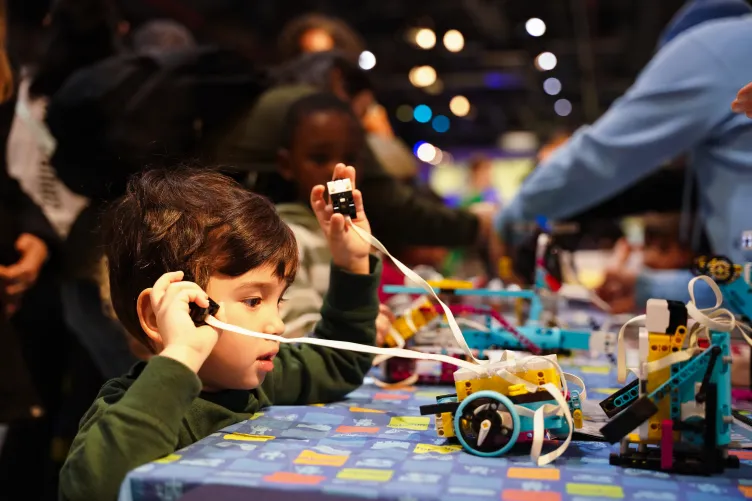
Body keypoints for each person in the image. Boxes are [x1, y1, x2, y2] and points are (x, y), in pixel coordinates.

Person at [59, 165, 380, 501]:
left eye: (278, 299)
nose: (278, 325)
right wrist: (181, 356)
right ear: (163, 315)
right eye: (253, 300)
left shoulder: (256, 377)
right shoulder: (133, 408)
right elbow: (90, 488)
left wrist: (351, 263)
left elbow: (339, 362)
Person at [494, 0, 752, 311]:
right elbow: (746, 291)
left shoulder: (710, 46)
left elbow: (599, 157)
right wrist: (654, 290)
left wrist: (505, 219)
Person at [217, 51, 491, 251]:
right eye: (362, 111)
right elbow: (393, 205)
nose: (359, 125)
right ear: (337, 80)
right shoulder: (316, 115)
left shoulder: (277, 101)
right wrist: (477, 225)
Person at [263, 92, 391, 340]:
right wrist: (359, 329)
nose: (337, 171)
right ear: (287, 165)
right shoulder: (283, 239)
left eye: (350, 159)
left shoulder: (360, 235)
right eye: (319, 158)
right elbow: (293, 329)